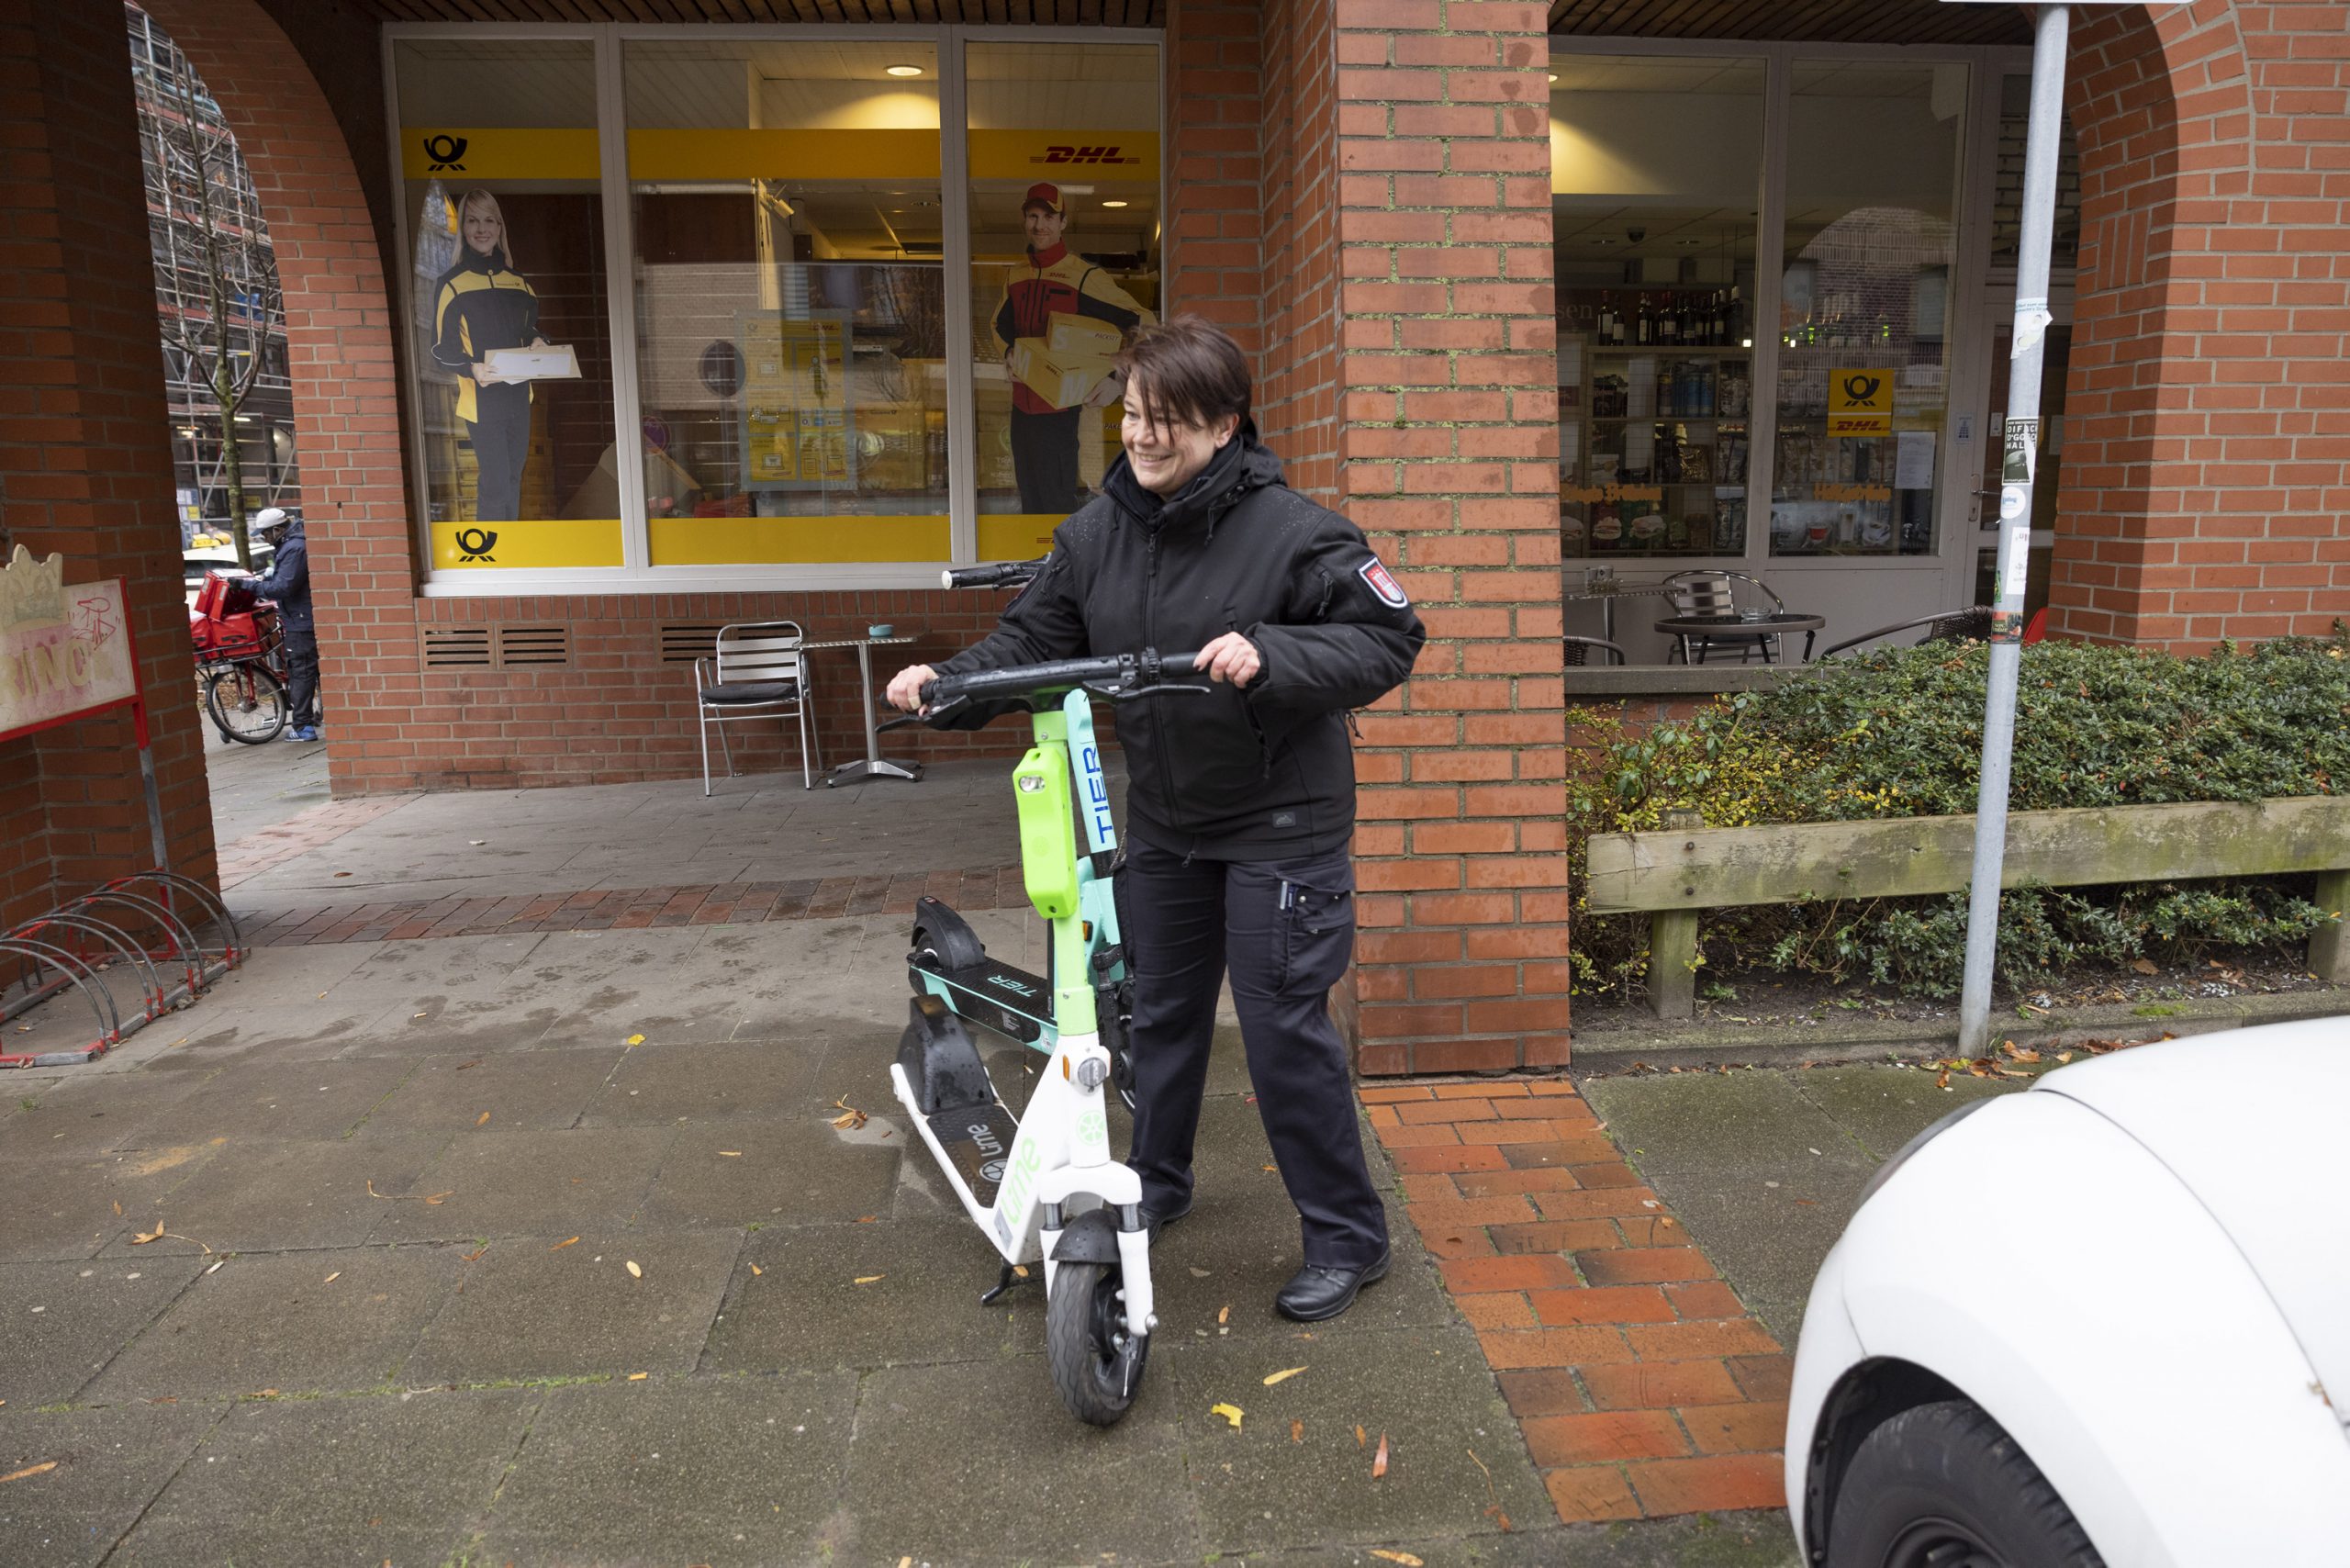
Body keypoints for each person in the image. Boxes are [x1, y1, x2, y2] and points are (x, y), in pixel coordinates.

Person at [888, 317, 1425, 1322]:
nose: (1141, 438)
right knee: (1161, 1019)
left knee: (1280, 1035)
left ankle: (1350, 1238)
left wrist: (1273, 653)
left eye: (1166, 422)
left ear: (1225, 425)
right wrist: (945, 684)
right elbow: (1033, 637)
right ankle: (1160, 1182)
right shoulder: (1099, 532)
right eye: (1131, 416)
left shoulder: (1300, 533)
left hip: (1281, 823)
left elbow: (1389, 638)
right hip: (1172, 821)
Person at [992, 183, 1156, 516]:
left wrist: (1117, 378)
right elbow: (999, 325)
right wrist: (1009, 352)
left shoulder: (1084, 277)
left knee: (1057, 503)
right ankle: (1038, 568)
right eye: (1033, 216)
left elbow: (1144, 321)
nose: (1040, 225)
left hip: (1061, 410)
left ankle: (1065, 566)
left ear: (1063, 223)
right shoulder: (1015, 275)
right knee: (1030, 500)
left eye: (1049, 217)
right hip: (1021, 407)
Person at [431, 189, 551, 523]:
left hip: (518, 397)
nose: (481, 229)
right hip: (481, 400)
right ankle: (494, 558)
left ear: (499, 227)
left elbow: (529, 331)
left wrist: (539, 341)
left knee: (514, 479)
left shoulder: (519, 283)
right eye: (472, 220)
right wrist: (472, 368)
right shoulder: (451, 284)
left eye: (488, 220)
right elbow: (440, 349)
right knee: (496, 483)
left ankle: (508, 554)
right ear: (464, 229)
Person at [250, 507, 319, 743]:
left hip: (301, 621)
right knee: (307, 670)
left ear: (277, 529)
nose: (264, 538)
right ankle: (309, 718)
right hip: (301, 617)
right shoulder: (292, 544)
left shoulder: (294, 548)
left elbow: (284, 587)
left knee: (301, 671)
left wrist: (251, 586)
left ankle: (302, 727)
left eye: (265, 534)